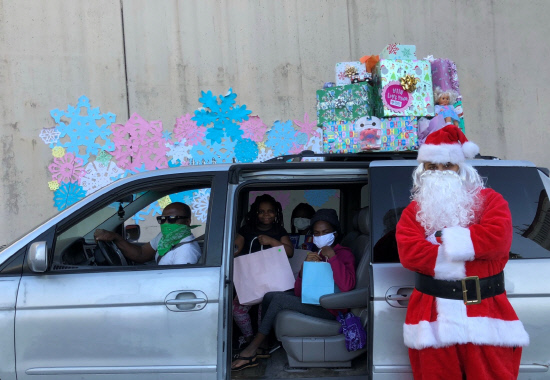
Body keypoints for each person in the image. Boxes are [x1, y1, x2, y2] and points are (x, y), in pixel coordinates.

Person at [395, 125, 529, 380]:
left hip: (486, 310)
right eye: (432, 167)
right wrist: (467, 249)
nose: (440, 173)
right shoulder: (414, 211)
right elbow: (409, 253)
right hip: (432, 314)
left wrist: (439, 241)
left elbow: (496, 240)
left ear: (461, 169)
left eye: (447, 165)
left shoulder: (491, 200)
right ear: (423, 171)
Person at [231, 208, 356, 371]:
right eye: (316, 233)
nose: (320, 236)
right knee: (270, 295)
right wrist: (304, 269)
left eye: (325, 232)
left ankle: (252, 349)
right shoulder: (315, 253)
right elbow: (299, 292)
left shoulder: (343, 254)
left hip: (331, 308)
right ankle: (264, 345)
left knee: (279, 300)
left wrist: (332, 257)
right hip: (315, 302)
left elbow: (347, 285)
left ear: (335, 233)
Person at [232, 194, 294, 350]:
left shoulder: (279, 230)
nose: (266, 215)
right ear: (255, 213)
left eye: (270, 211)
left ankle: (262, 343)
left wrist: (271, 241)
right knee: (237, 309)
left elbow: (289, 252)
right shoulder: (247, 229)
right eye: (261, 211)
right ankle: (249, 339)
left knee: (263, 313)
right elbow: (235, 248)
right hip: (250, 278)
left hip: (272, 281)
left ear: (276, 212)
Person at [94, 201, 201, 265]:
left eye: (172, 219)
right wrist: (116, 237)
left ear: (187, 222)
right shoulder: (164, 237)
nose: (166, 223)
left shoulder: (186, 251)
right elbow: (142, 254)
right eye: (162, 219)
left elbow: (179, 284)